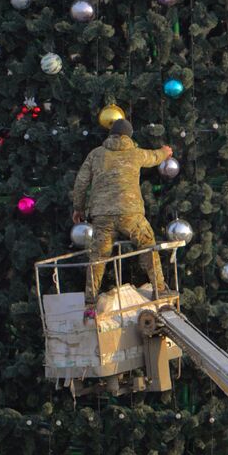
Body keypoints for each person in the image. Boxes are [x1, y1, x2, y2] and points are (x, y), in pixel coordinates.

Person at [71, 118, 173, 317]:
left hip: (102, 215)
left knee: (98, 257)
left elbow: (81, 182)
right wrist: (166, 152)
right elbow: (154, 157)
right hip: (131, 213)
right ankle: (160, 289)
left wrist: (78, 209)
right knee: (147, 246)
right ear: (129, 135)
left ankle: (90, 303)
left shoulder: (96, 154)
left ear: (111, 135)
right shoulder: (135, 153)